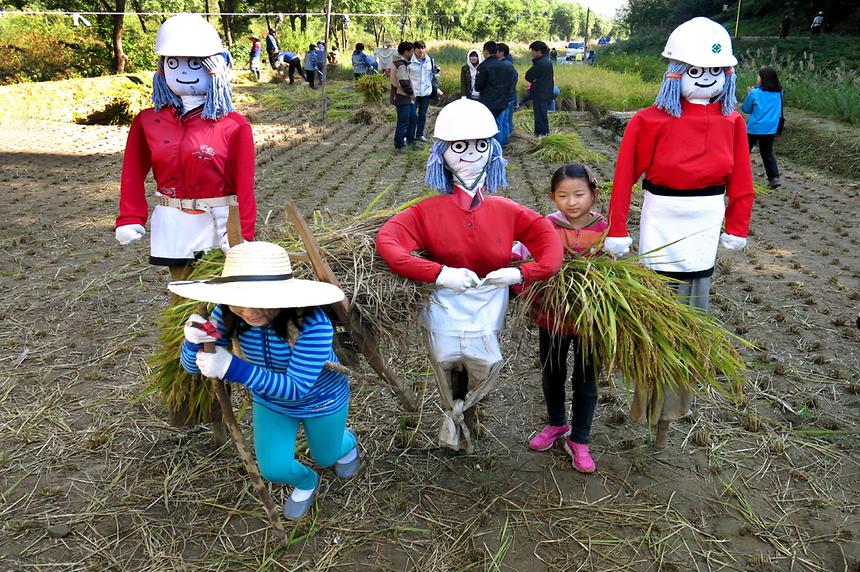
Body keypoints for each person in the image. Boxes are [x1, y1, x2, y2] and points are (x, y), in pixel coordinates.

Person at [376, 98, 563, 453]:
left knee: (486, 361)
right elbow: (389, 242)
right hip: (443, 305)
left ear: (492, 151)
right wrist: (439, 273)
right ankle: (455, 414)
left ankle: (462, 411)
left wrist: (518, 272)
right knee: (445, 362)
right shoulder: (425, 211)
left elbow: (549, 249)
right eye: (459, 147)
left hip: (487, 304)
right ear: (442, 153)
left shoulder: (507, 210)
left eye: (480, 146)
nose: (470, 155)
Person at [604, 17, 754, 445]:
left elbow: (742, 183)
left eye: (713, 72)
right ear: (675, 72)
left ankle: (673, 411)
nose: (703, 80)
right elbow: (623, 178)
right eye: (694, 71)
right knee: (652, 320)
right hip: (660, 218)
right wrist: (617, 230)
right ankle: (645, 403)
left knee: (690, 323)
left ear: (726, 76)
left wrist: (737, 226)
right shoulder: (649, 121)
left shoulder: (732, 123)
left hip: (705, 223)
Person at [170, 241, 358, 520]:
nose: (248, 312)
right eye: (239, 301)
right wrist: (194, 342)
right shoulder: (225, 314)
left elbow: (296, 388)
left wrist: (232, 368)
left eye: (258, 301)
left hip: (320, 401)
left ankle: (347, 442)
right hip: (270, 402)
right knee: (274, 469)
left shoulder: (312, 323)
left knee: (326, 456)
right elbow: (192, 368)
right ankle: (307, 481)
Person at [116, 13, 256, 275]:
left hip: (219, 224)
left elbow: (245, 187)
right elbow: (132, 174)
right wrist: (130, 217)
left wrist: (242, 232)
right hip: (173, 222)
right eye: (173, 63)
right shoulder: (147, 121)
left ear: (214, 66)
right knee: (181, 296)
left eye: (194, 64)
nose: (182, 72)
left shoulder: (234, 125)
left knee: (219, 303)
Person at [513, 164, 607, 473]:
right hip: (551, 316)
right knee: (552, 373)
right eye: (563, 195)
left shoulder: (606, 229)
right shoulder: (545, 226)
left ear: (592, 194)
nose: (572, 202)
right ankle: (557, 424)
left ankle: (579, 439)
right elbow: (522, 255)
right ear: (553, 197)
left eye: (579, 194)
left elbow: (617, 267)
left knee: (586, 379)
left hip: (590, 321)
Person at [742, 66, 783, 189]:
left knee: (743, 152)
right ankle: (774, 178)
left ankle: (739, 176)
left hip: (754, 128)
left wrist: (749, 94)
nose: (757, 77)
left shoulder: (754, 93)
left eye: (758, 75)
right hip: (770, 128)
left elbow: (746, 109)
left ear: (763, 78)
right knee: (767, 153)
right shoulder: (779, 93)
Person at [475, 41, 516, 142]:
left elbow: (479, 86)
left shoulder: (483, 66)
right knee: (500, 124)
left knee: (490, 125)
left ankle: (493, 148)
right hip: (503, 100)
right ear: (496, 51)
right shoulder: (505, 65)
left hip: (488, 100)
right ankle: (502, 146)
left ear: (485, 52)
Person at [409, 40, 441, 143]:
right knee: (412, 115)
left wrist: (437, 88)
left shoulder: (430, 60)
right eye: (418, 48)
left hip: (426, 92)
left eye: (423, 48)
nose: (421, 50)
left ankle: (419, 135)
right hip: (413, 93)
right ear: (414, 50)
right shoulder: (409, 61)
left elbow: (433, 76)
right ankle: (409, 136)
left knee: (422, 114)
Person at [390, 41, 417, 153]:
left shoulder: (400, 63)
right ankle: (399, 145)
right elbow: (404, 82)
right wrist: (411, 94)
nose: (412, 53)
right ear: (406, 52)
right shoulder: (401, 65)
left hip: (404, 97)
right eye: (411, 51)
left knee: (413, 119)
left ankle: (411, 141)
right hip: (402, 97)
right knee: (403, 121)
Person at [525, 41, 554, 137]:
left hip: (540, 94)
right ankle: (543, 135)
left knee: (540, 117)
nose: (532, 53)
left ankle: (541, 136)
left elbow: (528, 76)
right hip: (545, 93)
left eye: (533, 51)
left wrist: (534, 80)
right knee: (542, 116)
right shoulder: (547, 61)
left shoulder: (541, 63)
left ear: (539, 51)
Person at [496, 42, 518, 147]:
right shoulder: (510, 65)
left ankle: (501, 144)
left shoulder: (502, 65)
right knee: (506, 121)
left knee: (500, 122)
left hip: (505, 98)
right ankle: (506, 142)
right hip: (511, 97)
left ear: (501, 52)